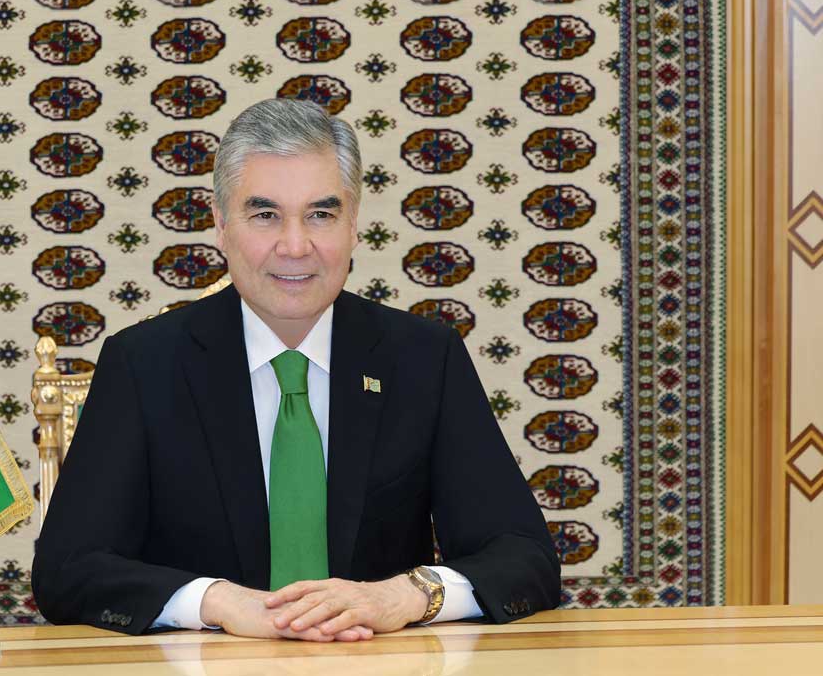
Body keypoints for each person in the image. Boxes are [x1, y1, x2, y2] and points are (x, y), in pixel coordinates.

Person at [32, 98, 560, 641]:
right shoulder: (143, 363)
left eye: (321, 215)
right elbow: (68, 569)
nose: (294, 246)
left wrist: (403, 596)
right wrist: (215, 601)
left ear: (354, 225)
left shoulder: (424, 357)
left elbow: (526, 557)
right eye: (265, 215)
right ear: (221, 226)